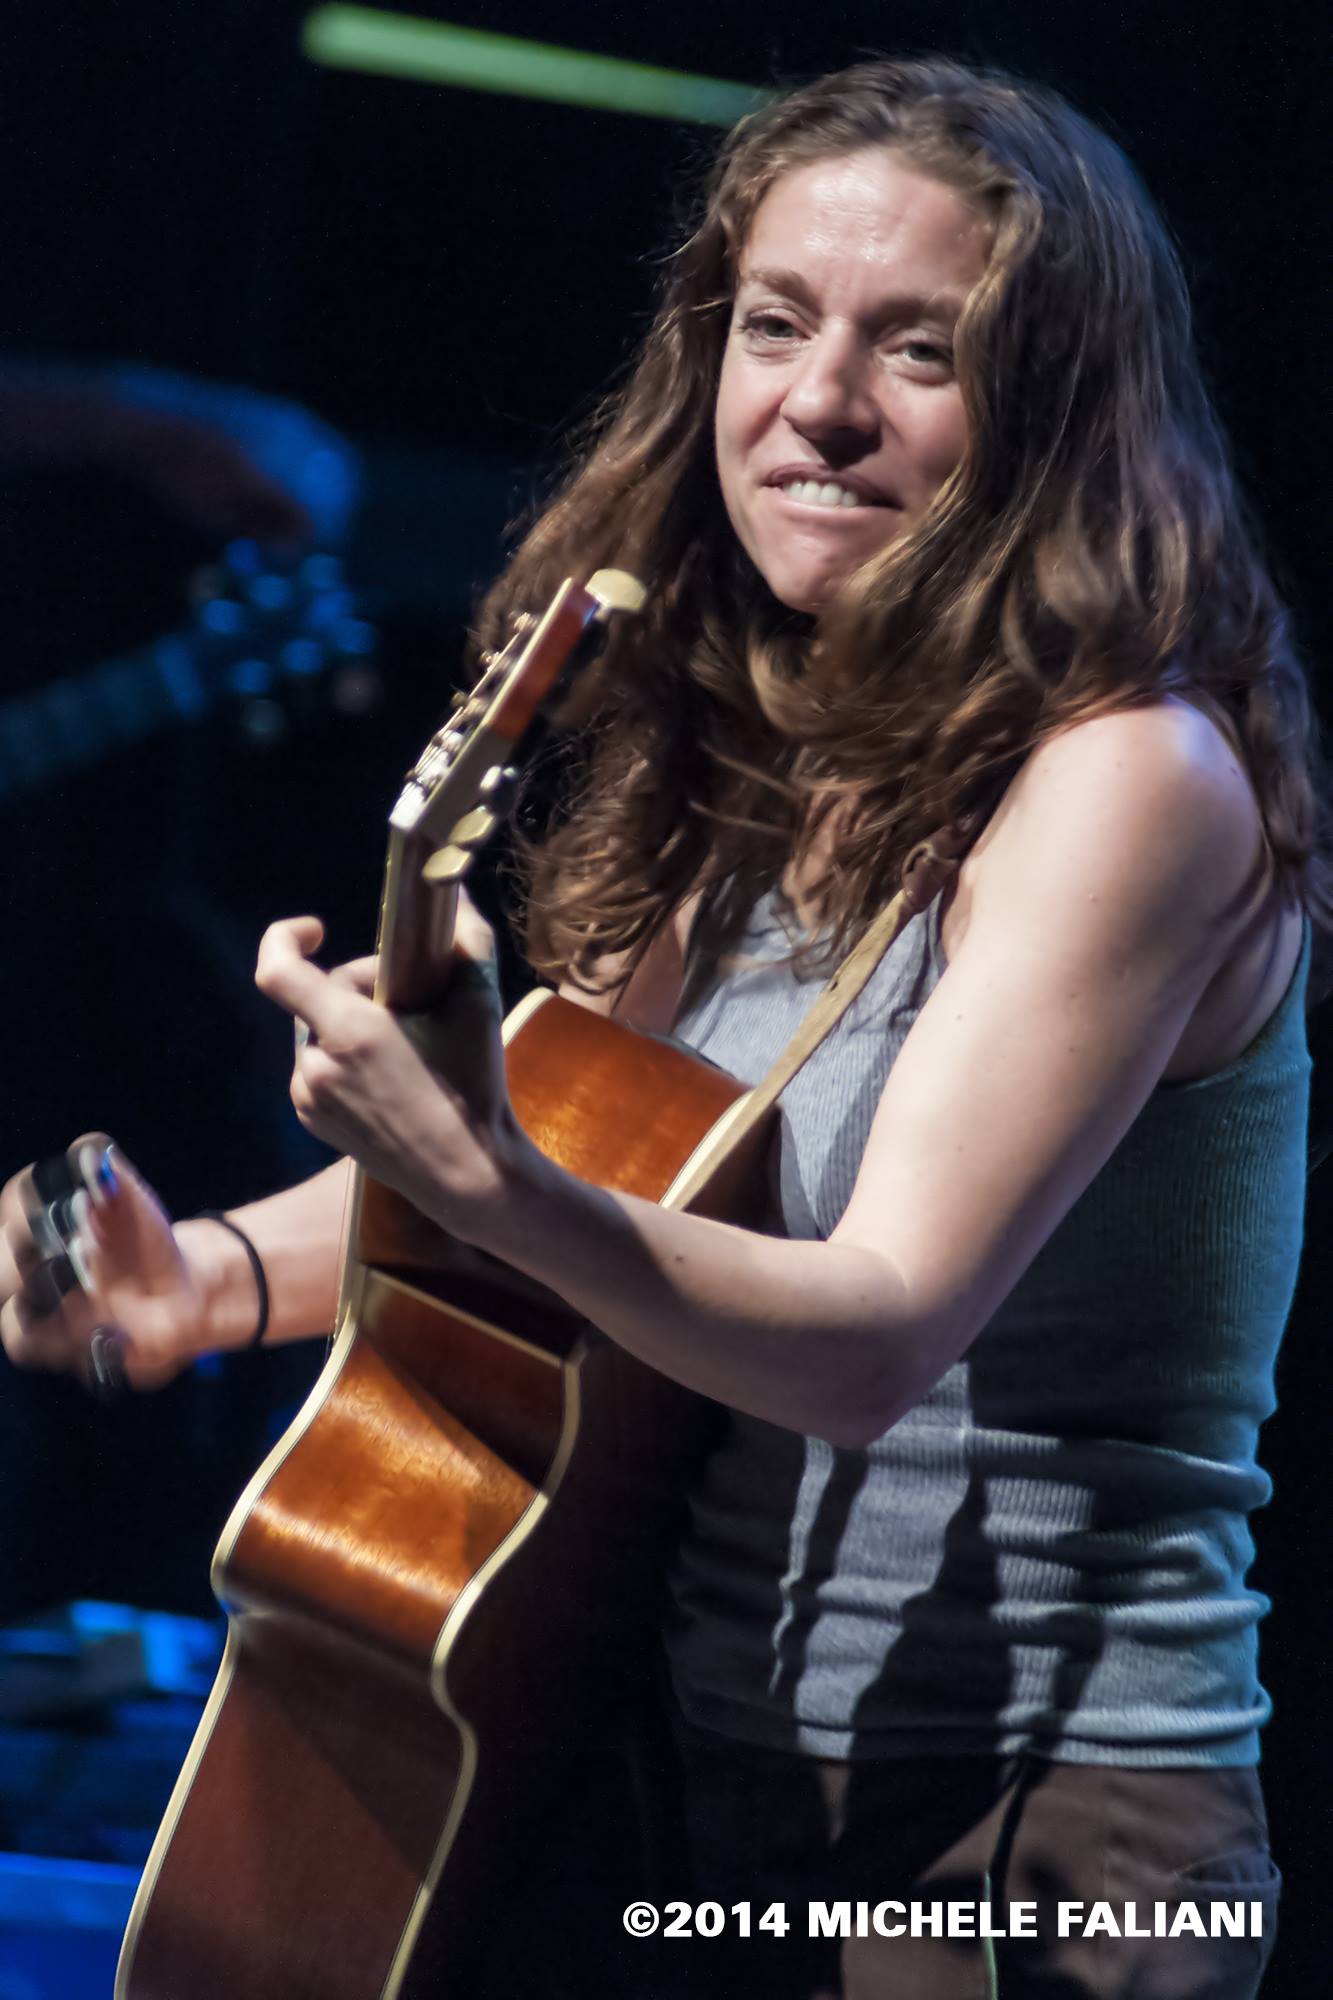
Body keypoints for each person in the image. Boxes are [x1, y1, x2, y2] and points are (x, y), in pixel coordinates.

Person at [1, 55, 1325, 2000]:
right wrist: (200, 1277)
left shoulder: (1129, 778)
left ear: (1052, 405)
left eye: (919, 351)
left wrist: (478, 1177)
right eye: (773, 326)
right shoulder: (757, 745)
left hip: (1026, 1827)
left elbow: (869, 1333)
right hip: (690, 1768)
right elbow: (589, 1158)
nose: (818, 402)